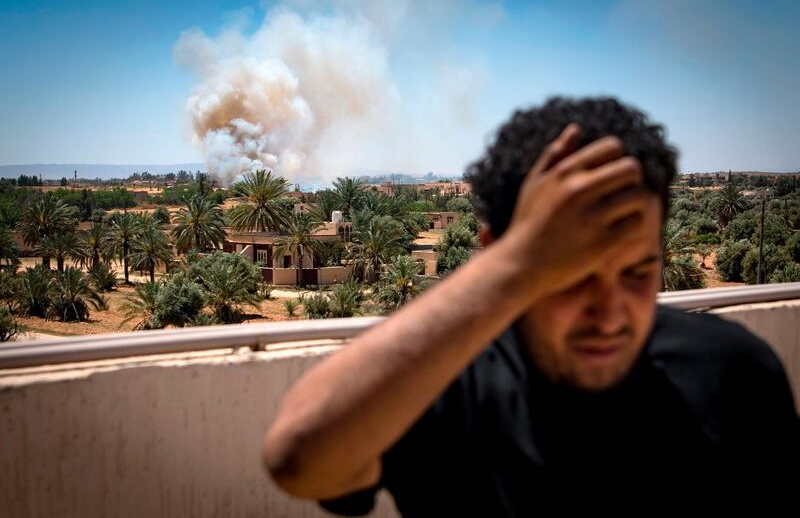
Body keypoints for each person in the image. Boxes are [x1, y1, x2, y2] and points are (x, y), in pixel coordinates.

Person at [263, 97, 799, 515]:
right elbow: (299, 460)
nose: (610, 313)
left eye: (638, 272)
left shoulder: (732, 372)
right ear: (503, 259)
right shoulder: (439, 385)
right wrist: (513, 265)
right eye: (569, 275)